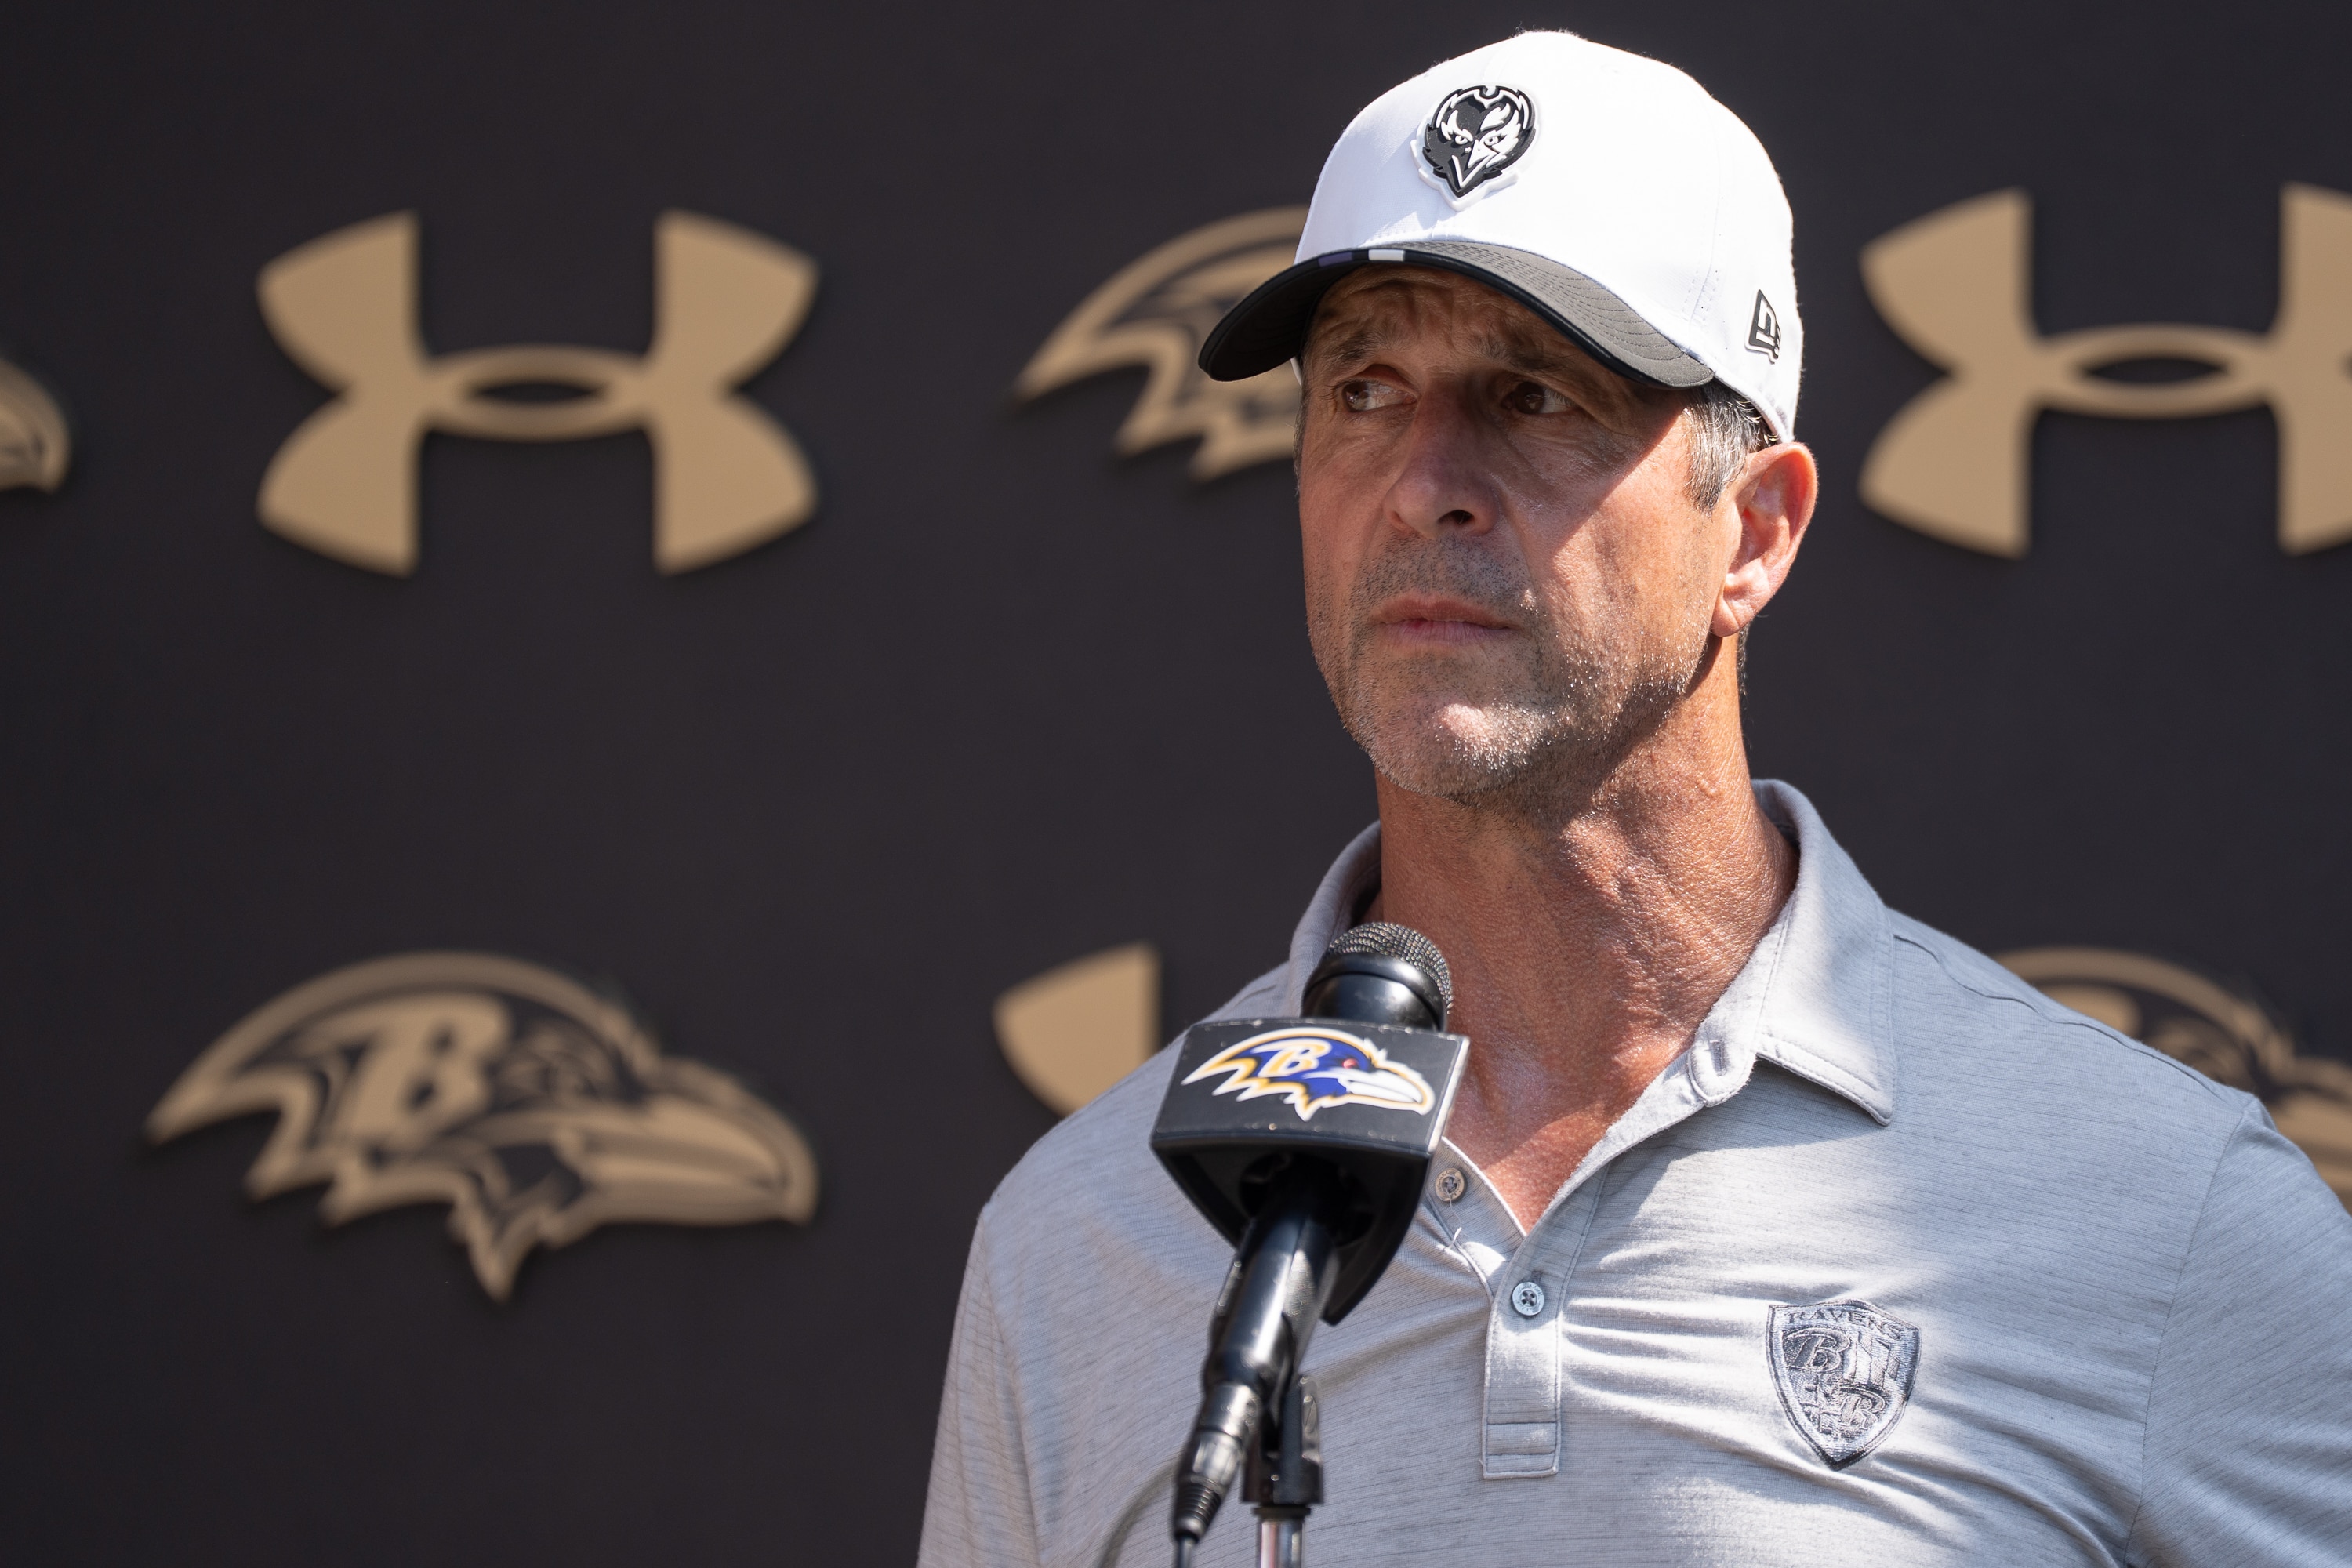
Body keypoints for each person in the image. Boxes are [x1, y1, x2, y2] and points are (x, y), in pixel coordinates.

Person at [919, 31, 2352, 1567]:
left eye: (1534, 395)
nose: (1422, 481)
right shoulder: (1075, 1244)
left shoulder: (2165, 1216)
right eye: (1364, 389)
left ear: (1754, 529)